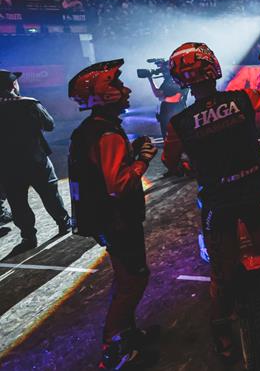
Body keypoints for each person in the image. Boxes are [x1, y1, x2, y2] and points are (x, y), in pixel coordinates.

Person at [161, 43, 260, 360]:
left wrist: (189, 166)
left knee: (221, 272)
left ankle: (222, 330)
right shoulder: (242, 99)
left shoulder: (179, 124)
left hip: (216, 206)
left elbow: (171, 163)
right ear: (213, 69)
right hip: (254, 197)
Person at [67, 60, 159, 369]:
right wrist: (143, 159)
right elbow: (118, 185)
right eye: (117, 86)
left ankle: (127, 333)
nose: (126, 90)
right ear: (101, 94)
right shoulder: (106, 133)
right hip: (118, 220)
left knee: (124, 278)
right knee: (134, 279)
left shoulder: (91, 129)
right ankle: (114, 342)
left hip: (104, 219)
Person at [0, 69, 71, 255]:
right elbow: (50, 125)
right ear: (13, 85)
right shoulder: (29, 104)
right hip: (36, 159)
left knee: (18, 202)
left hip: (7, 165)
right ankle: (64, 223)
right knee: (50, 193)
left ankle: (28, 237)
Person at [146, 62, 188, 140]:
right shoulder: (167, 81)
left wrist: (164, 98)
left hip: (177, 112)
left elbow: (177, 97)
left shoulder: (178, 79)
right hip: (166, 114)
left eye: (163, 68)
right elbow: (157, 94)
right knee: (167, 137)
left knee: (179, 136)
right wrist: (150, 79)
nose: (161, 71)